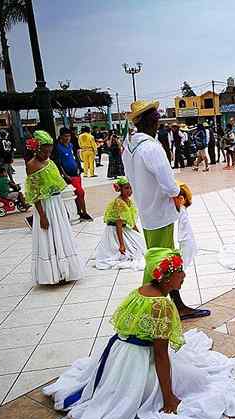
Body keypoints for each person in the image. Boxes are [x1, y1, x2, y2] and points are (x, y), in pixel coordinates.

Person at [43, 247, 235, 419]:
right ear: (165, 277)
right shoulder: (161, 306)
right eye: (180, 271)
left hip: (119, 355)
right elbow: (161, 355)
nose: (184, 275)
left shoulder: (140, 291)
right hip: (140, 361)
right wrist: (169, 397)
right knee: (199, 381)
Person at [122, 99, 209, 320]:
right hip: (161, 212)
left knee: (159, 259)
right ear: (150, 120)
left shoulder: (128, 147)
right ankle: (149, 310)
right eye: (156, 116)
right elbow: (170, 186)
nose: (158, 119)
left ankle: (173, 305)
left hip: (147, 211)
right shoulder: (151, 147)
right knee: (163, 263)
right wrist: (180, 192)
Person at [25, 130, 84, 284]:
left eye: (50, 150)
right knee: (49, 236)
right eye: (45, 150)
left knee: (61, 235)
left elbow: (58, 185)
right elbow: (34, 193)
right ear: (37, 148)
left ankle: (65, 270)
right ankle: (53, 274)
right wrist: (42, 216)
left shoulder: (50, 162)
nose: (47, 153)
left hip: (57, 203)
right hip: (45, 206)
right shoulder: (32, 165)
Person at [95, 176, 146, 270]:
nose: (129, 190)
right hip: (114, 231)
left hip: (123, 228)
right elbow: (118, 225)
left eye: (131, 188)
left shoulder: (128, 201)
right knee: (133, 251)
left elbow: (131, 221)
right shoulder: (119, 203)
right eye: (126, 188)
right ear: (120, 189)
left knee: (141, 244)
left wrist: (138, 233)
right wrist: (121, 245)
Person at [53, 127, 94, 221]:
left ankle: (79, 211)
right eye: (65, 136)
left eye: (69, 136)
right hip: (68, 175)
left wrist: (79, 167)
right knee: (79, 192)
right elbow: (58, 163)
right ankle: (83, 212)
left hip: (76, 173)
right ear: (61, 136)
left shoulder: (70, 145)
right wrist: (64, 175)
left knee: (78, 193)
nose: (67, 138)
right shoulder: (58, 147)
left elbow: (75, 157)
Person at [175, 182, 198, 268]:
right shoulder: (182, 210)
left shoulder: (182, 210)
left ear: (181, 199)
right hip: (185, 238)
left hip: (185, 238)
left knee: (185, 259)